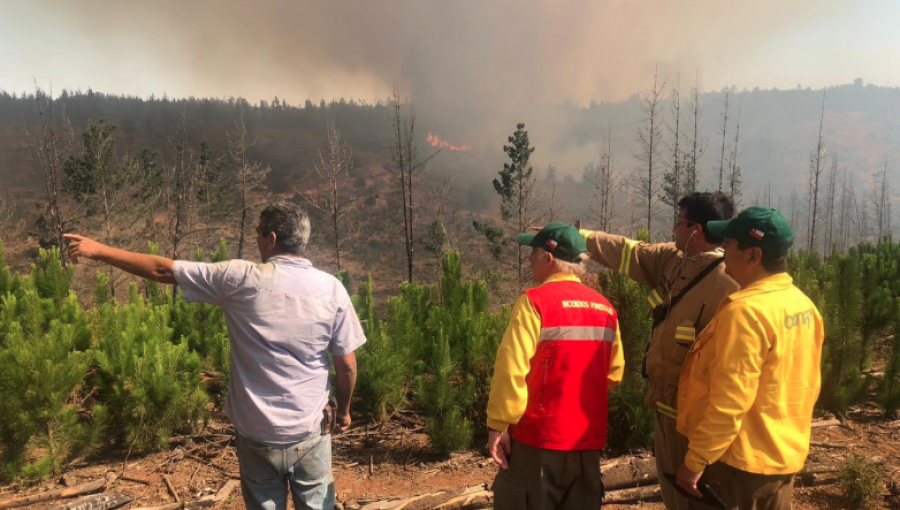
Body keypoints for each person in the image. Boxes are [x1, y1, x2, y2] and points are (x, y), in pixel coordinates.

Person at [64, 202, 366, 510]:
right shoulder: (332, 289)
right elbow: (347, 366)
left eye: (258, 234)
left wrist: (99, 250)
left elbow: (161, 269)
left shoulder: (240, 278)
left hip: (255, 432)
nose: (257, 240)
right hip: (309, 431)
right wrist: (343, 411)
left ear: (272, 239)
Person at [578, 192, 738, 510]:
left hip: (694, 421)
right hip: (664, 410)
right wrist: (580, 237)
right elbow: (630, 253)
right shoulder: (673, 260)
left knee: (696, 498)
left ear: (695, 229)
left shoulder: (728, 286)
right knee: (673, 495)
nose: (674, 228)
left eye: (679, 221)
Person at [675, 206, 824, 510]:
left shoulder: (745, 312)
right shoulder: (803, 305)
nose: (722, 251)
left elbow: (729, 401)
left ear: (753, 255)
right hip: (782, 461)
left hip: (737, 469)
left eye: (728, 244)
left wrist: (695, 461)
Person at [486, 222, 624, 510]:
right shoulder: (606, 308)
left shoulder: (534, 302)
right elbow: (614, 373)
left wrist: (499, 424)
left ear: (548, 258)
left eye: (533, 252)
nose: (529, 259)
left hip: (538, 440)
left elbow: (511, 369)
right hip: (586, 441)